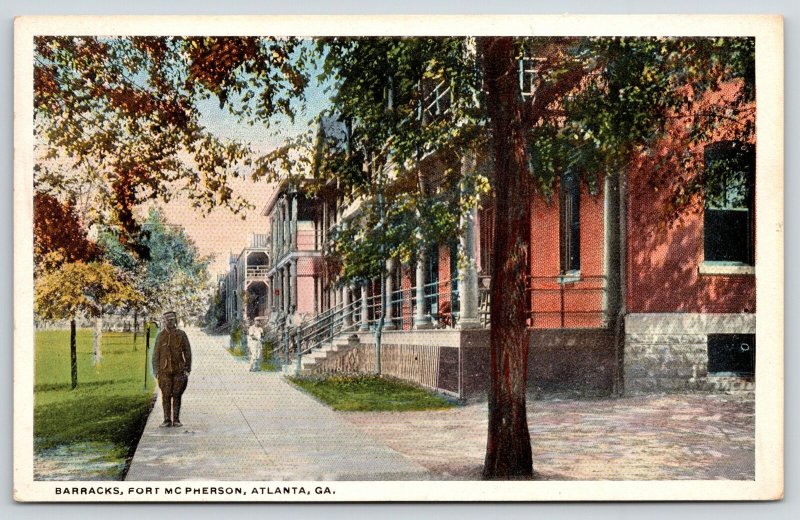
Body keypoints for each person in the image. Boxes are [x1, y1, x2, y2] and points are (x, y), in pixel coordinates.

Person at [152, 311, 192, 427]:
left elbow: (187, 352)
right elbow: (156, 355)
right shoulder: (161, 336)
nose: (170, 322)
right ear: (164, 321)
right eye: (167, 320)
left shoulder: (181, 335)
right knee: (165, 395)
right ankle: (166, 420)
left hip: (179, 370)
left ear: (176, 321)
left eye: (172, 319)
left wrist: (187, 368)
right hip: (164, 371)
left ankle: (176, 419)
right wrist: (156, 370)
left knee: (177, 394)